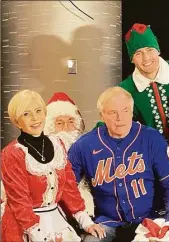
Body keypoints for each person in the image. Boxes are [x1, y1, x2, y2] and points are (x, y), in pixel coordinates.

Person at [96, 23, 169, 242]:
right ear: (131, 58)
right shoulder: (126, 88)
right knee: (166, 220)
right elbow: (113, 121)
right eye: (138, 53)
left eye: (150, 50)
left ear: (158, 50)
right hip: (156, 164)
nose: (146, 58)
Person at [68, 87, 169, 242]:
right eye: (112, 112)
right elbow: (65, 187)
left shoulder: (151, 138)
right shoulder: (84, 145)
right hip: (107, 222)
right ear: (101, 115)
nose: (120, 118)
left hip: (149, 219)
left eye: (125, 111)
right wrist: (84, 221)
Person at [1, 90, 104, 242]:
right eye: (26, 114)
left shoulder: (58, 145)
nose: (35, 118)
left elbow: (69, 189)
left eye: (38, 111)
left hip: (55, 221)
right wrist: (40, 236)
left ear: (44, 113)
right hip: (23, 228)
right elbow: (19, 202)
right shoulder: (11, 153)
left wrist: (86, 222)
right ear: (16, 121)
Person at [44, 92, 94, 217]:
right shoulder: (39, 151)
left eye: (71, 121)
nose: (66, 127)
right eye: (59, 123)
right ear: (49, 127)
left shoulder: (88, 147)